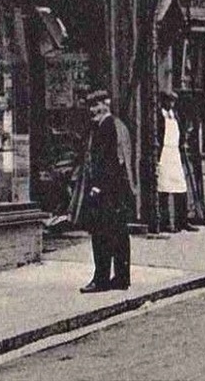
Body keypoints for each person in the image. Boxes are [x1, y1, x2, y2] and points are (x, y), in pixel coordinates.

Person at [72, 89, 135, 293]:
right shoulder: (117, 125)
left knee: (101, 235)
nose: (93, 110)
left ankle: (101, 279)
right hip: (118, 191)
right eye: (90, 106)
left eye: (97, 105)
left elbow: (108, 161)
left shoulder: (105, 127)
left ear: (106, 104)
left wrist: (98, 186)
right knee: (118, 234)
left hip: (107, 191)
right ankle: (121, 278)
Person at [156, 90, 196, 232]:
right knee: (164, 188)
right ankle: (165, 223)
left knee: (180, 187)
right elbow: (158, 136)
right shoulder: (159, 116)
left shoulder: (175, 116)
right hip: (164, 152)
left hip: (175, 152)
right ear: (163, 101)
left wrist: (182, 142)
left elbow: (180, 132)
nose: (171, 104)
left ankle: (182, 221)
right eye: (168, 101)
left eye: (173, 102)